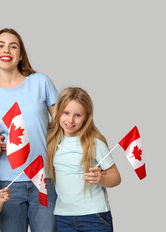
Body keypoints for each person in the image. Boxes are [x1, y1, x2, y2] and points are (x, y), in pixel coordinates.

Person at [0, 28, 59, 232]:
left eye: (13, 46)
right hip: (8, 181)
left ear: (20, 55)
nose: (7, 50)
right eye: (0, 46)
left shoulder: (40, 82)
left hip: (43, 175)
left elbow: (61, 125)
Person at [46, 87, 122, 232]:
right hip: (64, 216)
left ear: (86, 117)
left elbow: (116, 177)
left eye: (77, 115)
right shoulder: (52, 140)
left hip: (94, 215)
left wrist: (101, 178)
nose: (70, 120)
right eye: (66, 113)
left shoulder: (94, 142)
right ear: (58, 112)